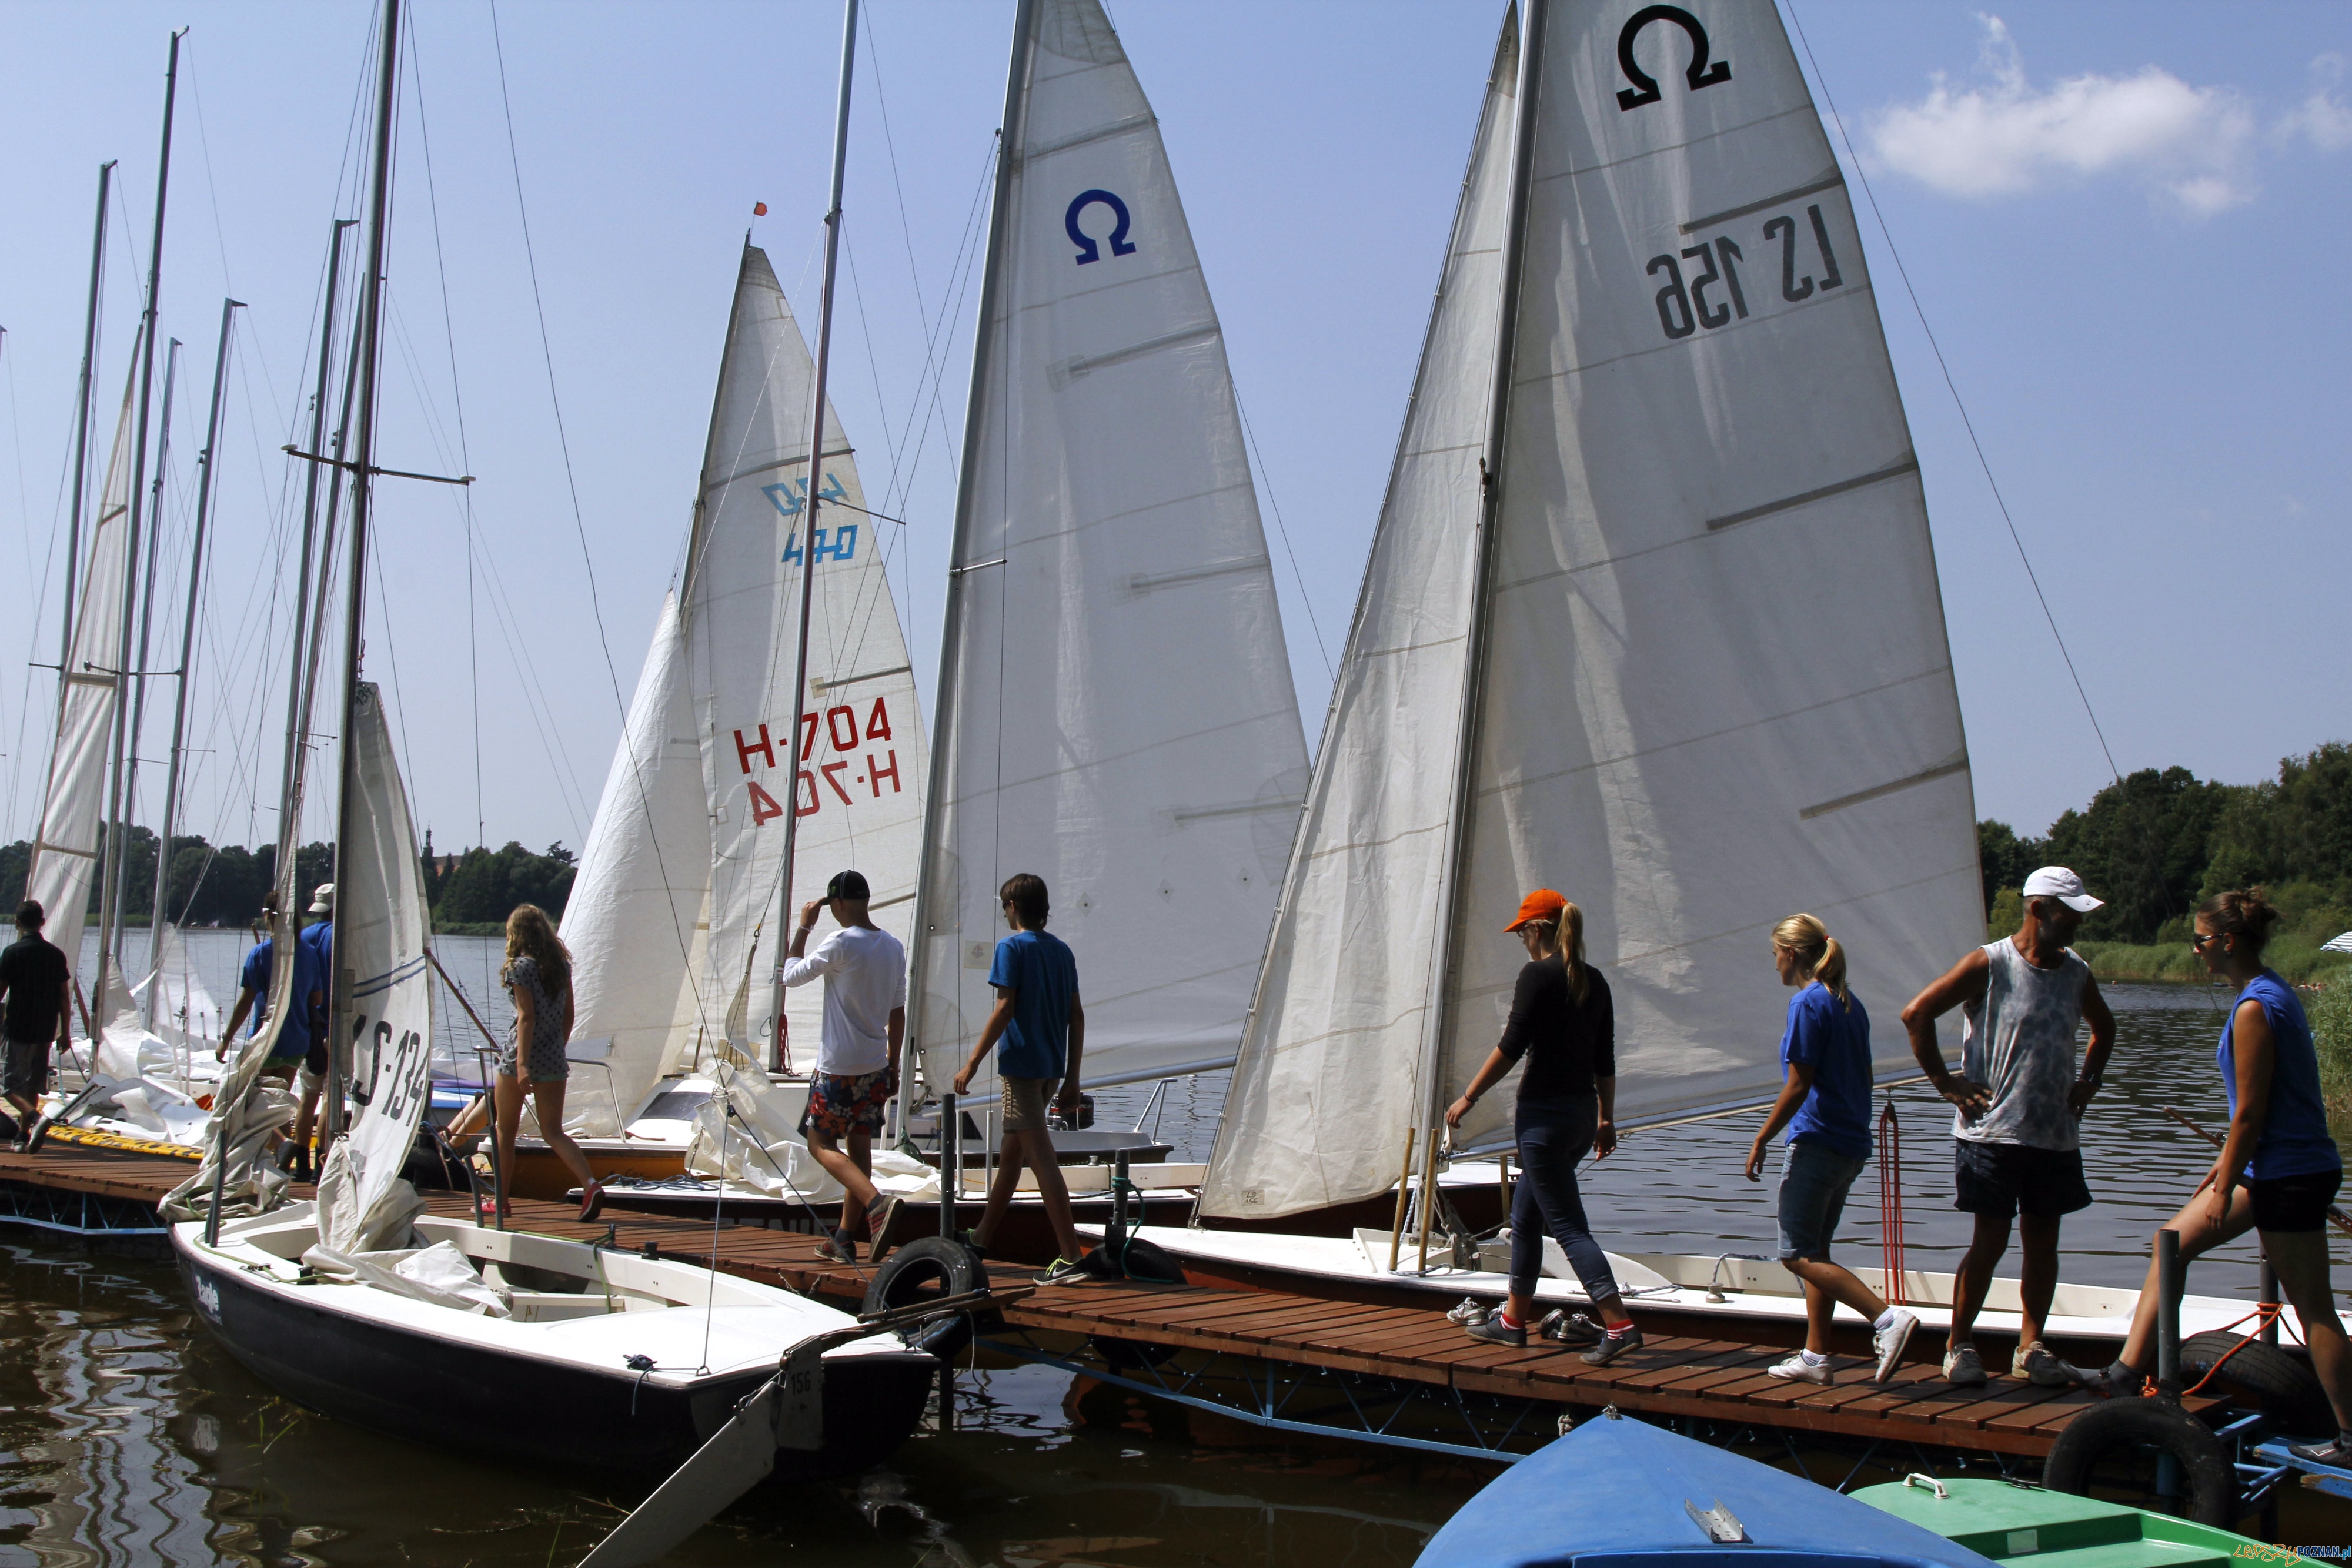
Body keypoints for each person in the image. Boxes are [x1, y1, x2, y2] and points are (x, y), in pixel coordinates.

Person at [2082, 889, 2352, 1462]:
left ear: (2227, 942)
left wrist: (2226, 1183)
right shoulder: (2265, 994)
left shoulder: (2258, 1007)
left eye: (2200, 941)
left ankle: (2350, 1438)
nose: (2196, 951)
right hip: (2267, 1168)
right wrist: (2225, 1166)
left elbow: (2251, 1111)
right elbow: (2255, 1114)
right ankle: (2126, 1375)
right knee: (2170, 1244)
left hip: (2289, 1175)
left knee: (2314, 1308)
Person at [1901, 865, 2115, 1386]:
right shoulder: (1991, 963)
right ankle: (1959, 1345)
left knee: (2044, 1242)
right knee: (1991, 1241)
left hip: (2054, 1135)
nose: (2076, 925)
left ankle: (2031, 1347)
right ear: (2039, 909)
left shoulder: (2076, 971)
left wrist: (2089, 1081)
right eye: (2069, 914)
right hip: (1993, 1132)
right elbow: (1917, 1013)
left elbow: (2104, 1028)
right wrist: (1943, 1082)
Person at [1447, 891, 1642, 1366]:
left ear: (1537, 930)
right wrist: (1606, 1118)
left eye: (1521, 934)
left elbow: (1512, 1045)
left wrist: (1469, 1096)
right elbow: (1605, 1059)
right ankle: (1512, 1322)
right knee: (1526, 1218)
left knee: (1570, 1228)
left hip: (1543, 1120)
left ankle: (1619, 1325)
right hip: (1580, 1116)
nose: (1521, 942)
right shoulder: (1594, 981)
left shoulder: (1537, 975)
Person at [1743, 913, 1920, 1385]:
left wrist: (1761, 1137)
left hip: (1817, 1141)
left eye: (1776, 952)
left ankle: (1887, 1319)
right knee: (1818, 1250)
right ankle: (1816, 1355)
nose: (1774, 962)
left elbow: (1799, 1084)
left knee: (1797, 1255)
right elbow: (1863, 1076)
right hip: (1850, 1144)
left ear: (1793, 954)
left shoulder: (1807, 1004)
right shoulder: (1849, 1003)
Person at [951, 872, 1088, 1283]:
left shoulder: (1010, 946)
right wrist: (1073, 1079)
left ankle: (1070, 1256)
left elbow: (1005, 1008)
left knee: (1042, 1161)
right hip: (1050, 1070)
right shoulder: (1062, 951)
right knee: (1011, 1157)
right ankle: (980, 1237)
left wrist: (972, 1062)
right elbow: (1076, 1015)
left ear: (1011, 907)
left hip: (1021, 1070)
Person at [782, 869, 906, 1264]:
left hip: (838, 1066)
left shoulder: (839, 940)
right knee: (860, 1147)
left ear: (837, 904)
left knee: (819, 1144)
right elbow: (897, 1011)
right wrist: (894, 1062)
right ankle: (844, 1238)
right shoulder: (892, 946)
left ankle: (876, 1203)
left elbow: (789, 976)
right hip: (874, 1065)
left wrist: (803, 928)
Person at [490, 904, 600, 1221]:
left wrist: (523, 1065)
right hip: (553, 1057)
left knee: (504, 1131)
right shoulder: (560, 966)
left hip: (518, 1058)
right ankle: (590, 1184)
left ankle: (500, 1202)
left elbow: (527, 1017)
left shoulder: (519, 967)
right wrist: (556, 1046)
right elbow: (569, 1015)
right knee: (554, 1132)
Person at [219, 894, 328, 1105]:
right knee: (278, 1104)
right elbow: (317, 998)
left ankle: (275, 1139)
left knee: (256, 1106)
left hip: (267, 1039)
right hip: (297, 1041)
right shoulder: (309, 953)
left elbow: (246, 1002)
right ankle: (286, 1138)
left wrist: (226, 1040)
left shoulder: (260, 954)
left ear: (269, 916)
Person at [0, 900, 73, 1152]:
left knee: (9, 1087)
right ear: (42, 923)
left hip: (19, 1027)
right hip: (46, 1029)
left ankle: (34, 1118)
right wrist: (66, 1031)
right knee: (32, 1084)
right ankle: (22, 1136)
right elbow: (64, 997)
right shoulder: (55, 955)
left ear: (17, 923)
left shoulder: (12, 953)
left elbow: (0, 992)